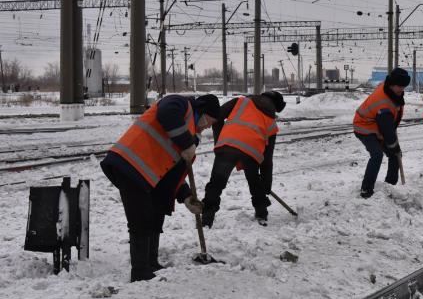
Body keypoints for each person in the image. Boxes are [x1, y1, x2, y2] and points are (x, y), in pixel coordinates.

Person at [101, 94, 220, 282]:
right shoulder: (180, 104)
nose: (207, 127)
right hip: (129, 164)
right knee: (141, 218)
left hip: (148, 174)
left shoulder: (191, 136)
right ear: (202, 111)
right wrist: (186, 143)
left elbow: (171, 174)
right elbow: (166, 113)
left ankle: (151, 263)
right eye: (209, 121)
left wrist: (186, 196)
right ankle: (140, 272)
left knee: (157, 210)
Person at [201, 91, 285, 228]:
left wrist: (220, 141)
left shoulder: (240, 102)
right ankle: (261, 212)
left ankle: (207, 217)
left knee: (217, 181)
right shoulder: (271, 124)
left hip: (228, 145)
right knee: (254, 180)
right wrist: (266, 186)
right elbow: (267, 162)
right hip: (251, 153)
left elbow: (217, 116)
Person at [353, 67, 409, 198]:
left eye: (404, 86)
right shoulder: (383, 102)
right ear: (392, 84)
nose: (402, 89)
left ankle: (390, 186)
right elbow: (387, 129)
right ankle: (366, 189)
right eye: (399, 86)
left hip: (377, 126)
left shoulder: (390, 90)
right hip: (363, 126)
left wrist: (394, 146)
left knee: (396, 155)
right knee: (377, 154)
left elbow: (388, 124)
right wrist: (394, 144)